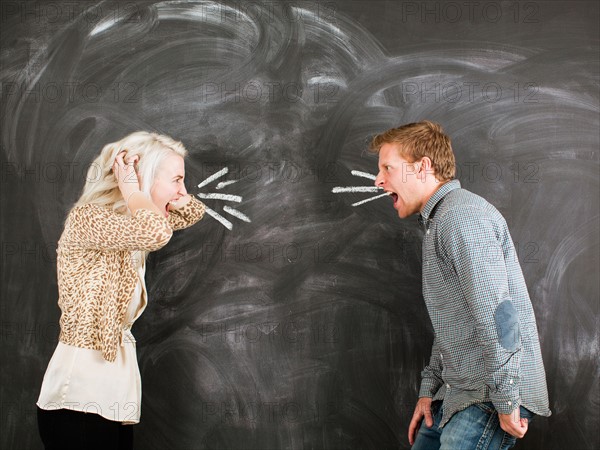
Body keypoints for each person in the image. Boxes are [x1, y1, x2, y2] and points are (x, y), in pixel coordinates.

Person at [371, 121, 551, 450]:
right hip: (458, 393)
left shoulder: (460, 217)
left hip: (488, 397)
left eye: (388, 168)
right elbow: (456, 320)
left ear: (422, 167)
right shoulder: (442, 219)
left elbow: (499, 314)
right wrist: (430, 389)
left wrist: (508, 398)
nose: (378, 180)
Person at [36, 131, 206, 449]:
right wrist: (132, 187)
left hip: (112, 398)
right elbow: (155, 231)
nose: (184, 191)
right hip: (77, 399)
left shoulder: (129, 226)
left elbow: (191, 213)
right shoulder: (89, 220)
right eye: (177, 180)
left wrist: (159, 192)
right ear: (142, 178)